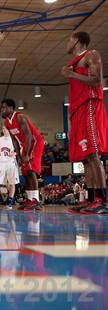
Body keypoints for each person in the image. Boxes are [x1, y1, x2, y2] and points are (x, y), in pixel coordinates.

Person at [61, 31, 108, 214]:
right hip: (77, 110)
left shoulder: (91, 55)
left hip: (89, 105)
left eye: (69, 39)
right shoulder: (74, 62)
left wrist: (72, 75)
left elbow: (97, 81)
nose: (67, 42)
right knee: (86, 159)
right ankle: (90, 199)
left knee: (94, 156)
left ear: (78, 41)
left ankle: (102, 200)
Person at [1, 98, 44, 211]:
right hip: (24, 145)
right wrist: (18, 156)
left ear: (11, 108)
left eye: (4, 107)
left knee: (30, 170)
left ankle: (36, 201)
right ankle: (30, 199)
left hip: (35, 142)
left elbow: (29, 135)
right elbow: (14, 141)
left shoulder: (20, 117)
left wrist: (27, 154)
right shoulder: (6, 122)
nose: (2, 109)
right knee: (25, 172)